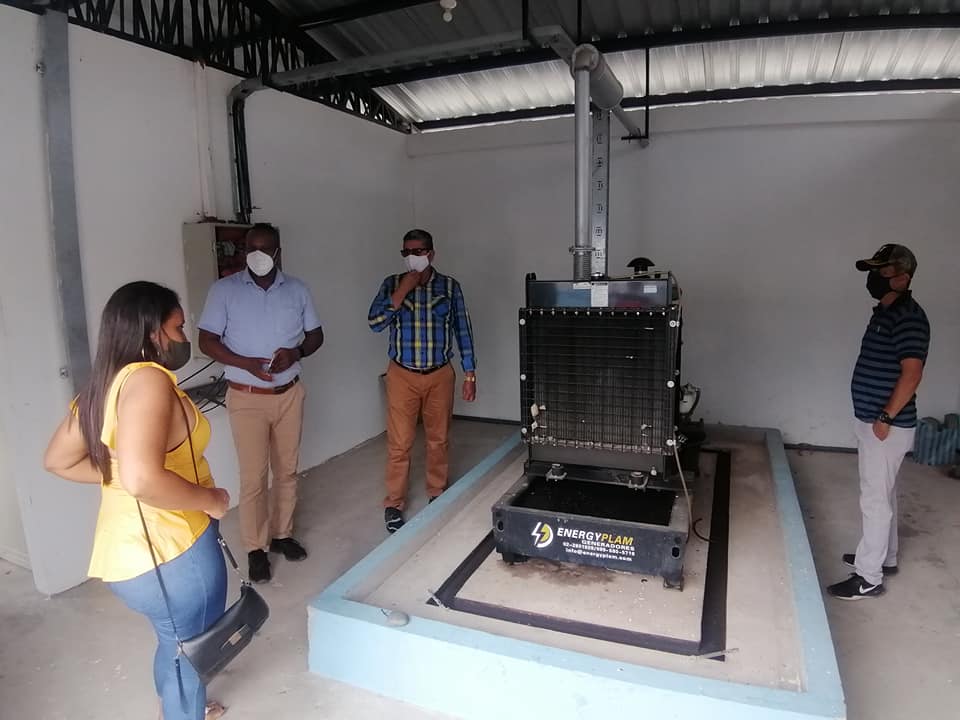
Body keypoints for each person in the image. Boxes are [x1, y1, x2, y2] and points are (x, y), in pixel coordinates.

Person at [43, 281, 231, 720]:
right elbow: (143, 479)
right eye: (178, 327)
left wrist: (124, 473)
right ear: (153, 331)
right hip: (175, 551)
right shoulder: (149, 380)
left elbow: (57, 461)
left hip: (126, 557)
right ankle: (183, 710)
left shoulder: (105, 386)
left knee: (174, 640)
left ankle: (175, 707)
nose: (183, 337)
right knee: (192, 649)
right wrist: (211, 499)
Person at [198, 223, 323, 584]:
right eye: (251, 248)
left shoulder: (297, 289)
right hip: (246, 396)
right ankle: (256, 548)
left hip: (289, 394)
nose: (258, 255)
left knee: (287, 470)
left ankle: (282, 535)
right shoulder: (224, 291)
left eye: (265, 248)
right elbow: (206, 340)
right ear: (244, 251)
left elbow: (316, 335)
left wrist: (295, 352)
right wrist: (245, 363)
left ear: (278, 252)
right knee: (253, 477)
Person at [827, 244, 930, 600]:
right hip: (874, 420)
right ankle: (885, 557)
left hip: (886, 425)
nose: (874, 277)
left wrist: (886, 417)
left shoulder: (909, 318)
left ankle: (868, 577)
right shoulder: (885, 312)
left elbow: (912, 374)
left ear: (902, 278)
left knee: (874, 500)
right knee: (883, 494)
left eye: (882, 271)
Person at [368, 229, 477, 533]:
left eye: (418, 251)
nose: (412, 257)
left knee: (438, 438)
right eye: (406, 252)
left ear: (431, 253)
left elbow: (463, 330)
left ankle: (437, 492)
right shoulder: (392, 284)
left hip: (440, 374)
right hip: (402, 374)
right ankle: (393, 503)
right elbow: (375, 323)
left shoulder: (450, 287)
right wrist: (403, 289)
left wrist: (470, 373)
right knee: (399, 443)